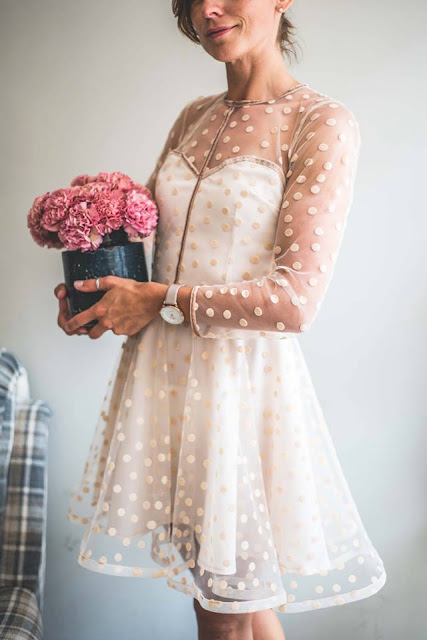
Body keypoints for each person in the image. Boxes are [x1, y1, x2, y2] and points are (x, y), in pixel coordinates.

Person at [56, 1, 387, 638]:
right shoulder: (192, 117)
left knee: (226, 611)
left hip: (238, 393)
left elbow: (295, 300)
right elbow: (152, 258)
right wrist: (97, 293)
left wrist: (156, 300)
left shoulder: (319, 122)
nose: (207, 7)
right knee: (232, 605)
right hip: (162, 384)